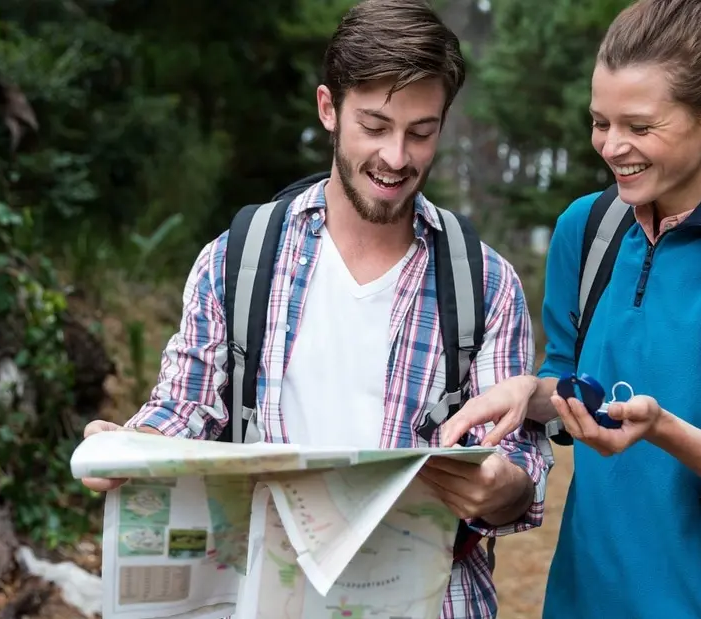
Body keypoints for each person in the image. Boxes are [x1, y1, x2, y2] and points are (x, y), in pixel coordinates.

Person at [80, 0, 551, 616]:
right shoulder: (238, 260)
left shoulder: (485, 282)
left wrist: (502, 489)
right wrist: (130, 450)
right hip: (267, 595)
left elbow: (515, 467)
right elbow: (185, 408)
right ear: (329, 108)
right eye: (375, 126)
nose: (396, 158)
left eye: (421, 131)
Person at [438, 0, 701, 617]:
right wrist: (529, 390)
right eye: (599, 122)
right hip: (585, 600)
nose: (612, 147)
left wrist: (665, 432)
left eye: (639, 127)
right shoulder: (585, 231)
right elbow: (576, 384)